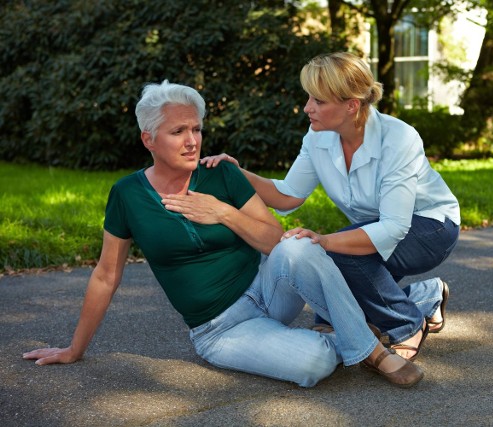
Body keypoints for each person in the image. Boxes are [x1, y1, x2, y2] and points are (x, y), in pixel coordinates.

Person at [22, 80, 424, 388]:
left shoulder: (221, 173)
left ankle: (368, 349)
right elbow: (107, 274)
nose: (192, 140)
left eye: (196, 129)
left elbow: (274, 243)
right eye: (178, 131)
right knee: (314, 365)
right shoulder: (127, 195)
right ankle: (381, 316)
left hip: (267, 290)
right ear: (148, 139)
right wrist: (75, 349)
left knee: (299, 248)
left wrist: (224, 213)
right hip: (221, 329)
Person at [201, 52, 461, 362]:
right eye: (309, 98)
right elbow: (288, 194)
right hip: (378, 226)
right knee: (337, 259)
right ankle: (423, 296)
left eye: (318, 101)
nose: (307, 108)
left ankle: (406, 324)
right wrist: (238, 174)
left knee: (335, 254)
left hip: (431, 226)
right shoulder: (318, 137)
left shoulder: (399, 138)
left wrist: (325, 242)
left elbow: (394, 227)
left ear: (351, 105)